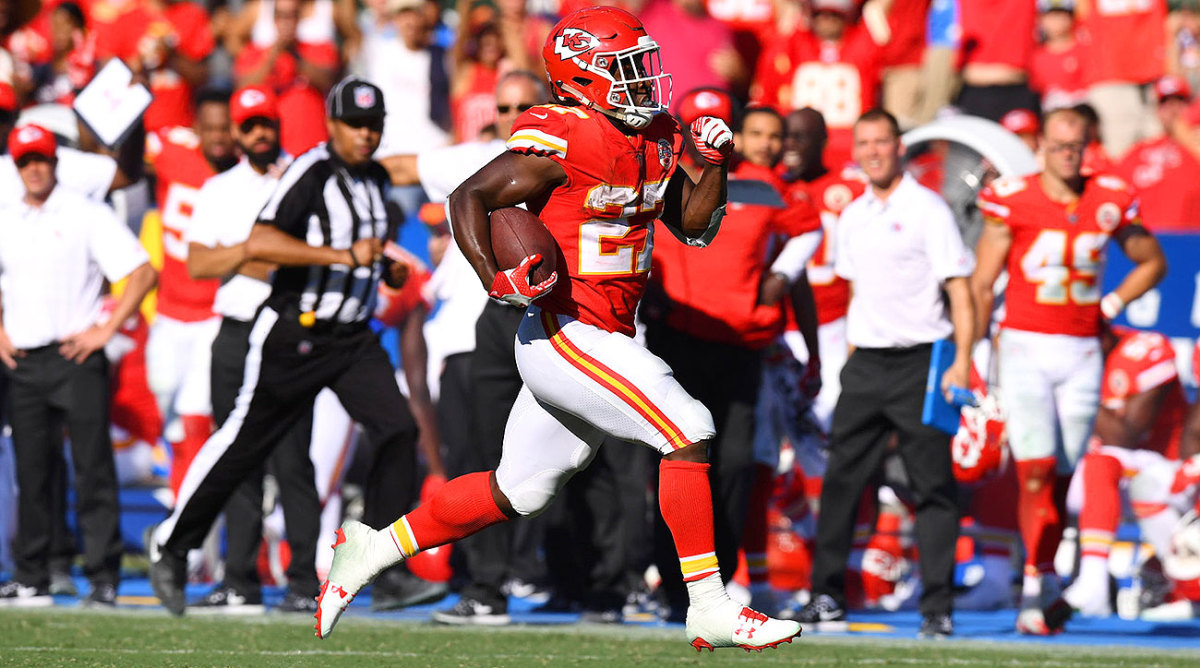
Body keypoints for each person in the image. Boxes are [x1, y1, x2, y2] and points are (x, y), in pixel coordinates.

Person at [315, 7, 802, 651]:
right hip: (565, 332)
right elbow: (469, 196)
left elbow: (693, 226)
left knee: (518, 489)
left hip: (609, 336)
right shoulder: (565, 135)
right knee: (688, 427)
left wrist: (712, 164)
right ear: (583, 76)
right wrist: (494, 276)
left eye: (643, 63)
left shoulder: (655, 132)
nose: (644, 78)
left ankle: (373, 548)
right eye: (627, 67)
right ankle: (708, 604)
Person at [146, 76, 422, 617]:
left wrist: (382, 268)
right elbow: (263, 239)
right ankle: (173, 545)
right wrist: (342, 257)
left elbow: (365, 248)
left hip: (352, 336)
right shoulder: (310, 171)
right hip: (297, 332)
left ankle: (383, 570)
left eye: (373, 125)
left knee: (399, 430)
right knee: (244, 443)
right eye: (355, 125)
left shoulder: (373, 177)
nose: (365, 135)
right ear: (332, 125)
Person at [971, 106, 1167, 634]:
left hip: (1081, 352)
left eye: (1075, 147)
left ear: (1086, 147)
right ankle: (1035, 583)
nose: (1067, 155)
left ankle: (1047, 575)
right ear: (1041, 146)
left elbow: (1153, 262)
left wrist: (1111, 304)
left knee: (1060, 475)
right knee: (1034, 469)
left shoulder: (1108, 197)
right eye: (1058, 145)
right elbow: (982, 282)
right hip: (1025, 345)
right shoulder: (1013, 197)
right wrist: (972, 354)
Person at [792, 108, 974, 639]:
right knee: (841, 481)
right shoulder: (854, 215)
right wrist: (851, 359)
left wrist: (961, 361)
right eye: (864, 142)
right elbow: (856, 293)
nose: (873, 151)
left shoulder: (929, 208)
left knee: (932, 485)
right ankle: (828, 595)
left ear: (899, 147)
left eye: (882, 141)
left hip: (921, 360)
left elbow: (960, 290)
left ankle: (937, 606)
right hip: (867, 363)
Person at [383, 69, 554, 625]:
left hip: (555, 322)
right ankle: (484, 580)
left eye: (524, 105)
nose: (512, 117)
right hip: (479, 327)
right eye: (503, 108)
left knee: (558, 459)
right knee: (478, 459)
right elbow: (398, 167)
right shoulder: (472, 161)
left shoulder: (568, 157)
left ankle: (550, 573)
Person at [644, 101, 821, 618]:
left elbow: (809, 227)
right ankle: (674, 586)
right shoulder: (667, 176)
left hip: (740, 344)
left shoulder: (767, 188)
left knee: (736, 465)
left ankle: (716, 582)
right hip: (678, 340)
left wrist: (782, 274)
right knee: (677, 464)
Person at [0, 124, 157, 606]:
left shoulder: (86, 213)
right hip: (24, 358)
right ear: (16, 166)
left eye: (40, 159)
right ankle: (33, 572)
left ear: (55, 162)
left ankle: (103, 574)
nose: (34, 169)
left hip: (77, 355)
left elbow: (142, 271)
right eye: (25, 161)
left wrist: (105, 331)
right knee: (32, 474)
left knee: (93, 469)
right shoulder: (7, 215)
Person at [1045, 328, 1190, 628]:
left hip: (1162, 468)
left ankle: (1093, 581)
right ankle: (1017, 579)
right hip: (1095, 473)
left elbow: (1125, 435)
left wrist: (1072, 391)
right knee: (1029, 469)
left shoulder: (1145, 349)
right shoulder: (1047, 356)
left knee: (1103, 462)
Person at [142, 88, 237, 498]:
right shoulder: (171, 151)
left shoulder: (247, 173)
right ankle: (182, 500)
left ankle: (188, 519)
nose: (218, 137)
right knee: (169, 413)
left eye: (225, 128)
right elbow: (120, 148)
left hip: (213, 316)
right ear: (195, 127)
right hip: (167, 314)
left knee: (196, 417)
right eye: (209, 128)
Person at [1114, 75, 1200, 232]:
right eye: (1165, 102)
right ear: (1157, 110)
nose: (1172, 109)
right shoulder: (1137, 152)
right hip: (1149, 239)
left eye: (1179, 101)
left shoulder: (1194, 148)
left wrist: (1184, 132)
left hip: (1191, 239)